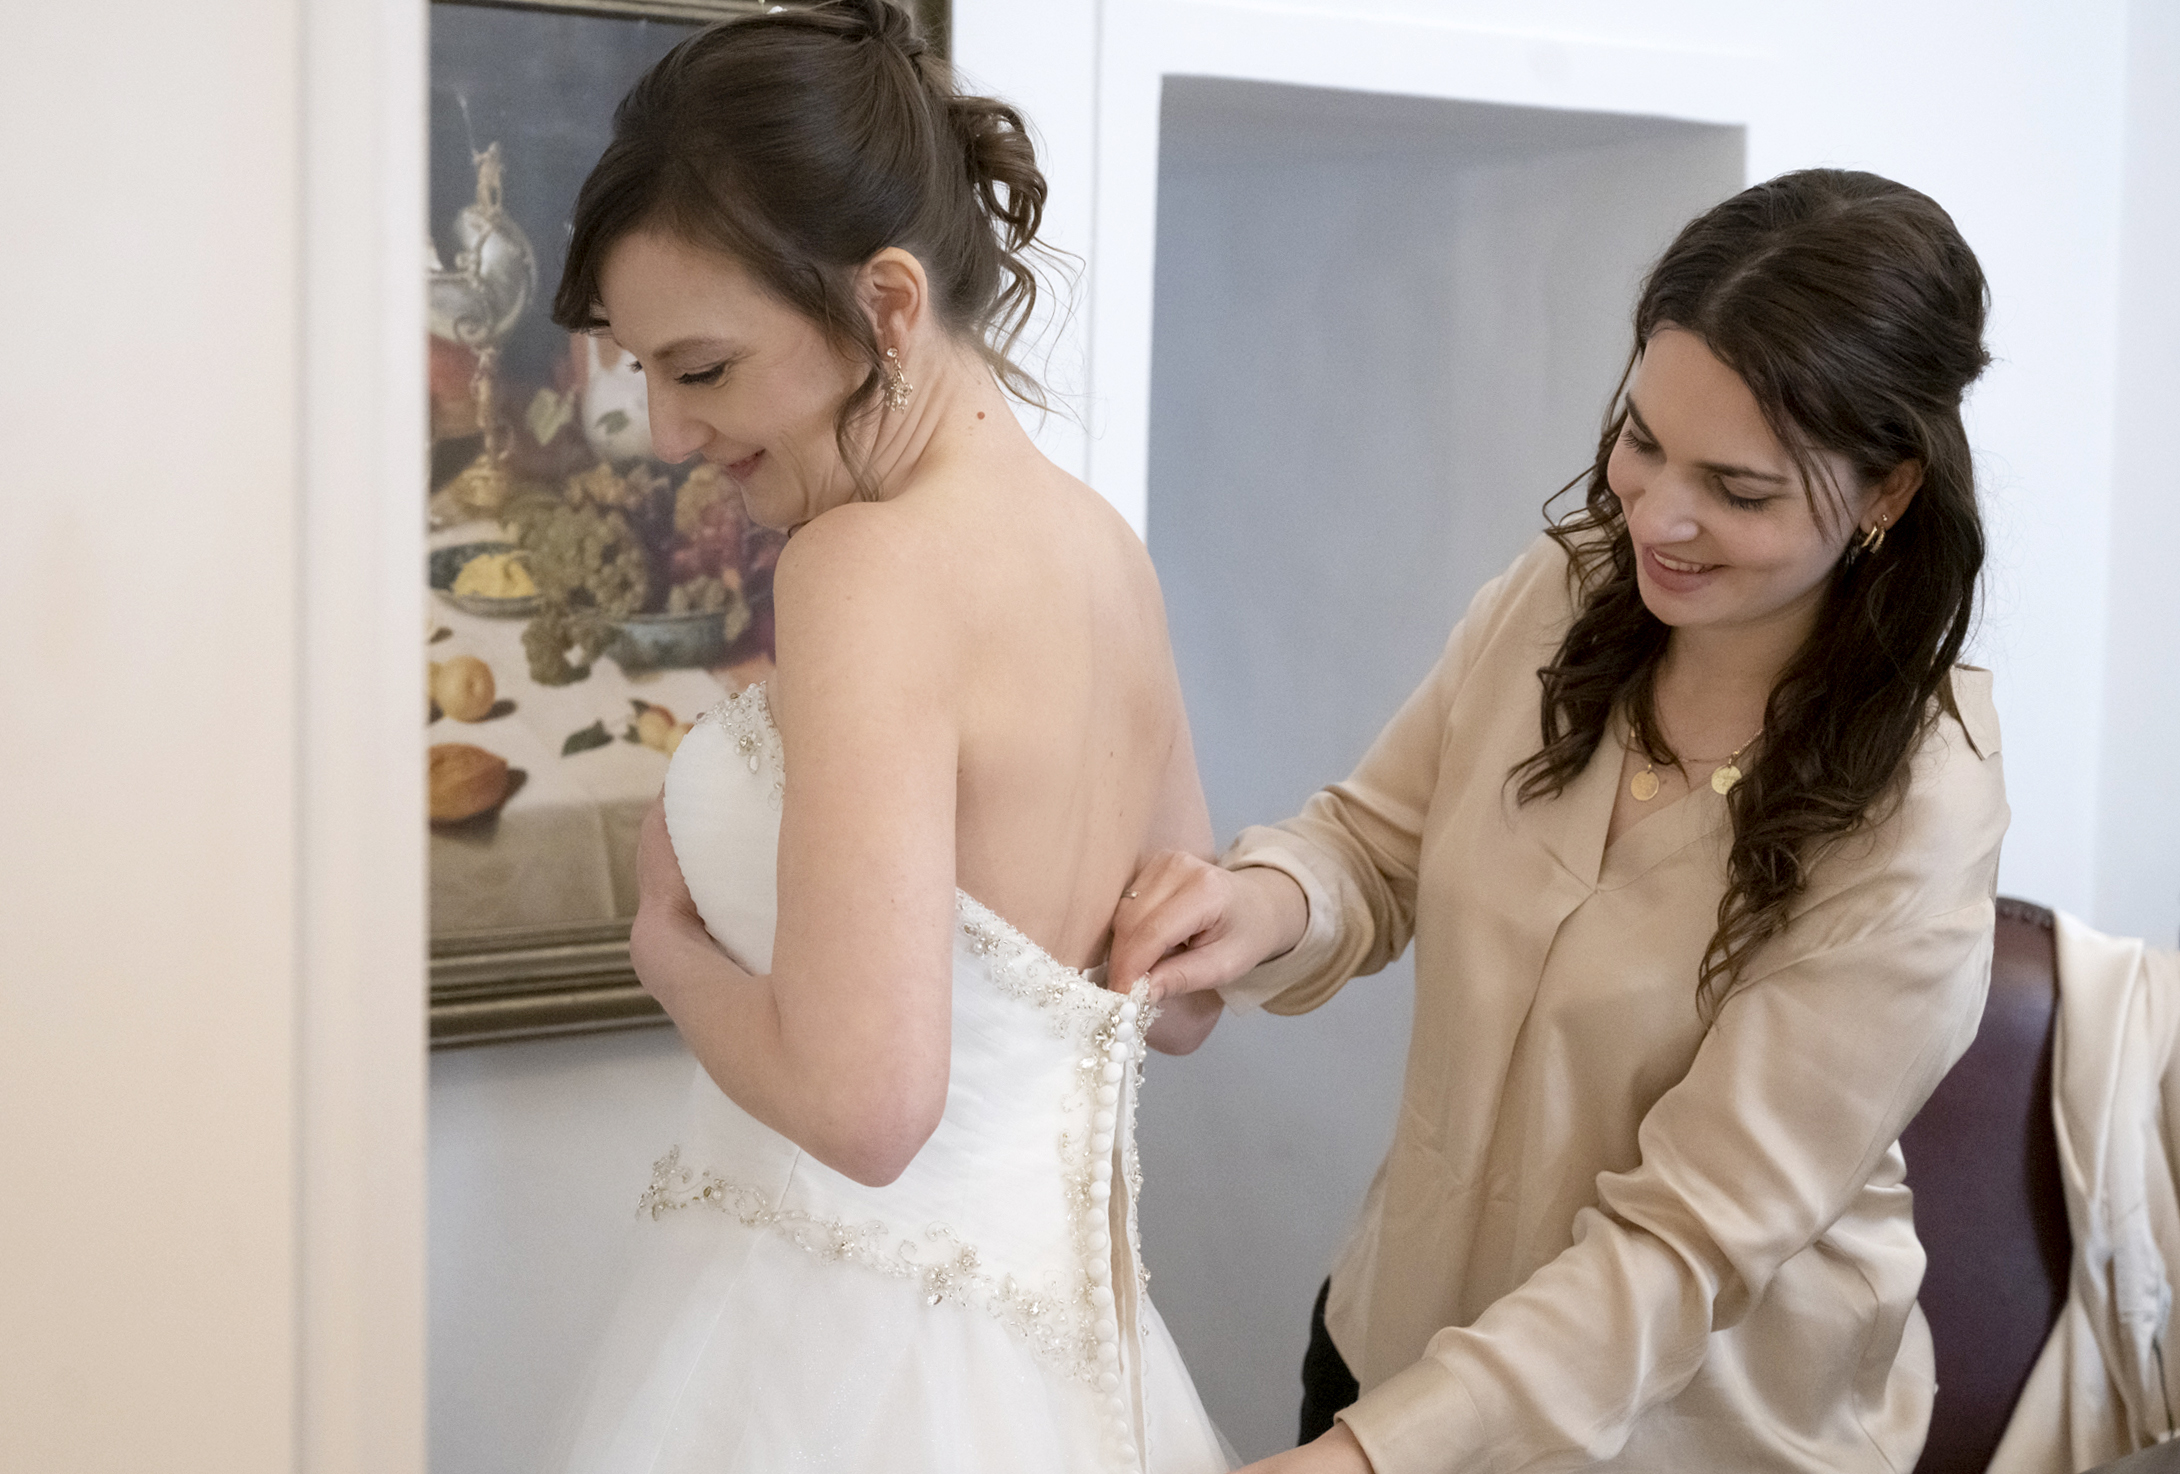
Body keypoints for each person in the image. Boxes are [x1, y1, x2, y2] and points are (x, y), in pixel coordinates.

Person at [1107, 168, 2006, 1474]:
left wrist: (1371, 1458)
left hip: (1678, 1439)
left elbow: (1680, 1245)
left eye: (1738, 489)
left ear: (1889, 492)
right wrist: (1261, 905)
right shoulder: (1566, 595)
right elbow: (1373, 846)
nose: (1656, 515)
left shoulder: (1921, 808)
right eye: (1641, 439)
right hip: (1388, 1351)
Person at [547, 4, 1230, 1470]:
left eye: (703, 369)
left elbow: (866, 1109)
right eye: (641, 371)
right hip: (1066, 1372)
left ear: (890, 306)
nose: (668, 434)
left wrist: (666, 943)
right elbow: (1177, 993)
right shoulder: (1106, 552)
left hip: (853, 1366)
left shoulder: (864, 569)